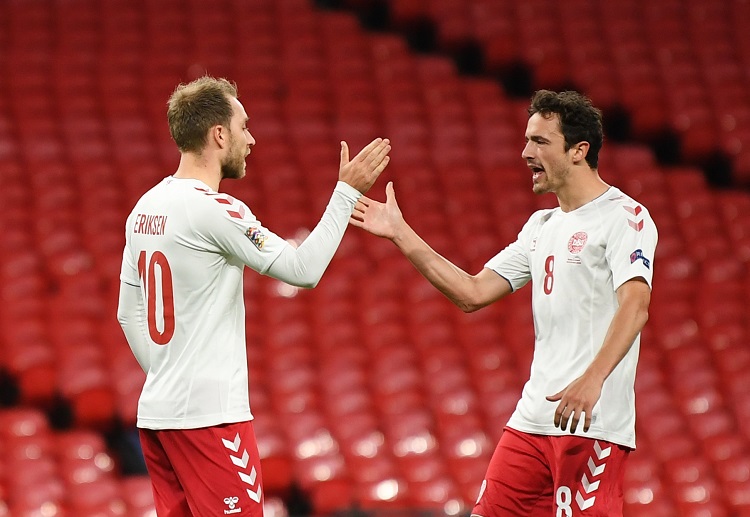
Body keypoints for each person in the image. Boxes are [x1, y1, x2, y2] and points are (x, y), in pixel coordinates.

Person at [350, 90, 657, 516]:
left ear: (578, 151)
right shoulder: (541, 226)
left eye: (541, 142)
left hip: (591, 423)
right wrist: (401, 233)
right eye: (527, 139)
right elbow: (472, 293)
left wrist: (593, 379)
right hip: (532, 420)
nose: (525, 151)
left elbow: (635, 306)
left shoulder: (625, 217)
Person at [117, 76, 390, 516]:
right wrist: (346, 193)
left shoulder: (144, 208)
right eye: (244, 127)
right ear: (219, 134)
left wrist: (169, 374)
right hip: (210, 419)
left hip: (159, 417)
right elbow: (303, 271)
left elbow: (127, 314)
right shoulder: (214, 209)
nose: (252, 138)